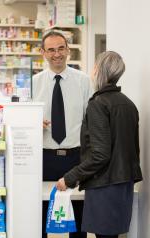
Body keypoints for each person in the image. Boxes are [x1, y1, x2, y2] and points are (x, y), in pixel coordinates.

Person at [56, 51, 143, 238]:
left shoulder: (98, 104)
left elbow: (100, 155)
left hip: (105, 186)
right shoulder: (128, 104)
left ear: (98, 70)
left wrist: (70, 178)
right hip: (123, 184)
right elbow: (132, 149)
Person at [33, 31, 93, 238]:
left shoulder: (83, 81)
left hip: (75, 158)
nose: (56, 54)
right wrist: (32, 123)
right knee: (39, 214)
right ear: (42, 53)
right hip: (44, 157)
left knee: (77, 215)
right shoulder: (34, 83)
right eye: (51, 50)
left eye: (60, 48)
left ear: (68, 50)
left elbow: (92, 120)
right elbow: (21, 120)